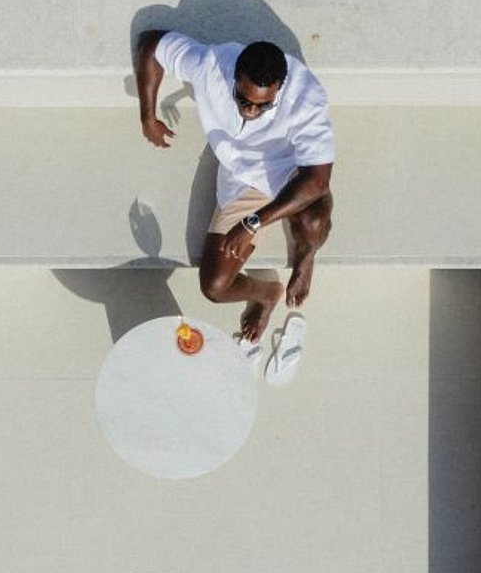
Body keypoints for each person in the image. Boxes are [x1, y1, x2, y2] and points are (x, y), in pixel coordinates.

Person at [133, 29, 336, 345]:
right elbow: (151, 44)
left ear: (279, 89)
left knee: (314, 221)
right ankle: (266, 294)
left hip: (287, 175)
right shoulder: (212, 65)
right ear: (234, 77)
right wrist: (148, 115)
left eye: (262, 106)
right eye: (243, 100)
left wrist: (253, 222)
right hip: (238, 176)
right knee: (215, 287)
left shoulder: (305, 98)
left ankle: (305, 257)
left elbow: (318, 180)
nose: (250, 111)